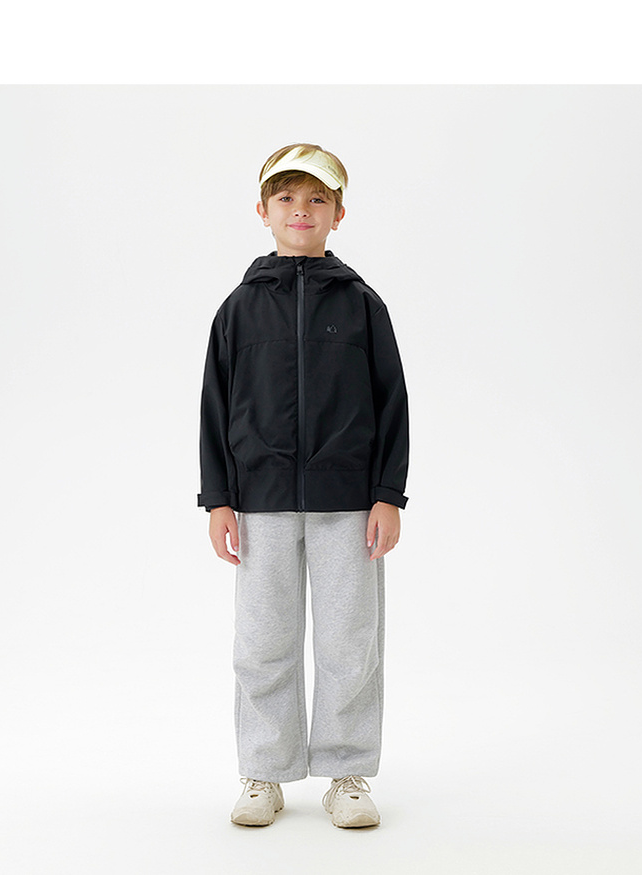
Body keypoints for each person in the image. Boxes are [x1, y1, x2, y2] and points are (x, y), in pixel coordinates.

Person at [197, 143, 409, 828]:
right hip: (259, 502)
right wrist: (218, 498)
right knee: (263, 642)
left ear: (338, 214)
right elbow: (214, 405)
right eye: (286, 197)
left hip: (349, 502)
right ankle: (264, 771)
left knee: (351, 640)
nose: (301, 210)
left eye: (317, 199)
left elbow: (392, 403)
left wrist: (388, 494)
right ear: (262, 210)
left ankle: (348, 773)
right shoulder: (238, 309)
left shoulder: (363, 305)